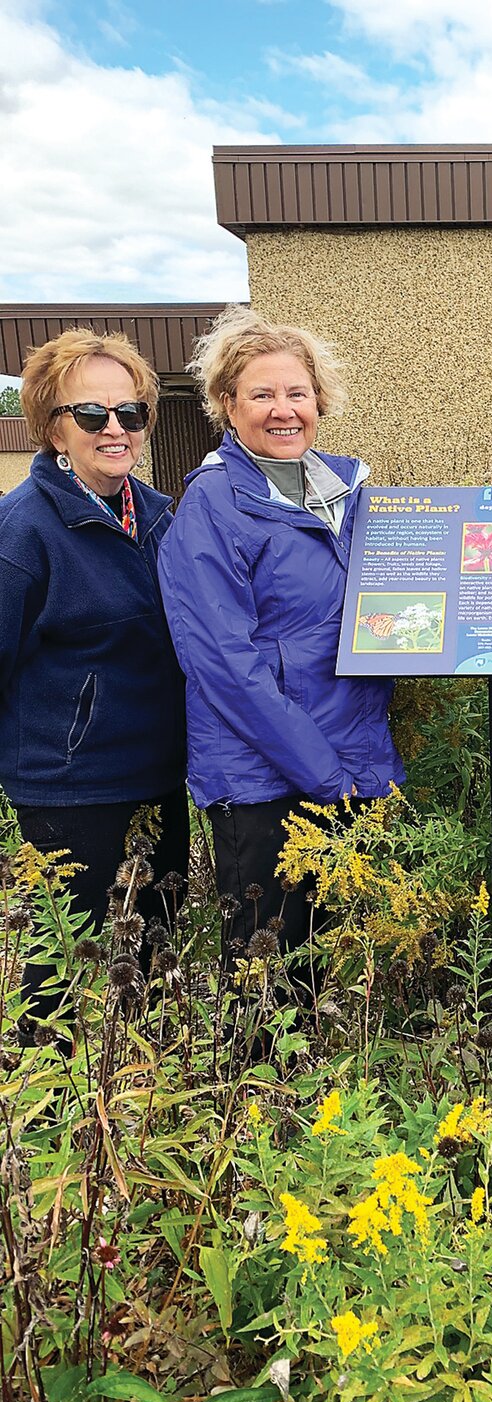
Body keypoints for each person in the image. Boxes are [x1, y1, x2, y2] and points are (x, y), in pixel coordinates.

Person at [158, 306, 403, 977]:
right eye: (261, 395)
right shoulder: (212, 505)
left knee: (335, 962)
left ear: (319, 400)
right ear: (226, 405)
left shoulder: (348, 495)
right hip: (265, 778)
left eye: (296, 393)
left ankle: (328, 1082)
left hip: (349, 758)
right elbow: (224, 666)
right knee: (271, 972)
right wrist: (324, 773)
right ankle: (263, 1086)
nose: (282, 410)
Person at [0, 330, 188, 1040]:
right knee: (62, 967)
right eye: (92, 415)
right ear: (52, 427)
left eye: (131, 412)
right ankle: (48, 1103)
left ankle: (149, 1089)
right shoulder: (22, 532)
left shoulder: (161, 515)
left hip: (158, 772)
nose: (116, 429)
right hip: (68, 784)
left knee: (156, 952)